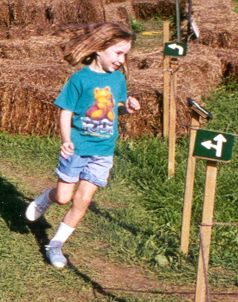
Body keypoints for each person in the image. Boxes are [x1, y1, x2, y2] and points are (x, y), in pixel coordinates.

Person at [25, 22, 140, 269]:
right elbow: (65, 112)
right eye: (118, 53)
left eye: (125, 54)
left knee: (83, 200)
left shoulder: (118, 79)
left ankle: (54, 246)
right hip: (76, 148)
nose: (122, 59)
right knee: (64, 197)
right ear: (99, 49)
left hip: (103, 151)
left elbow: (116, 107)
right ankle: (48, 197)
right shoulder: (80, 79)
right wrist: (66, 140)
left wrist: (127, 108)